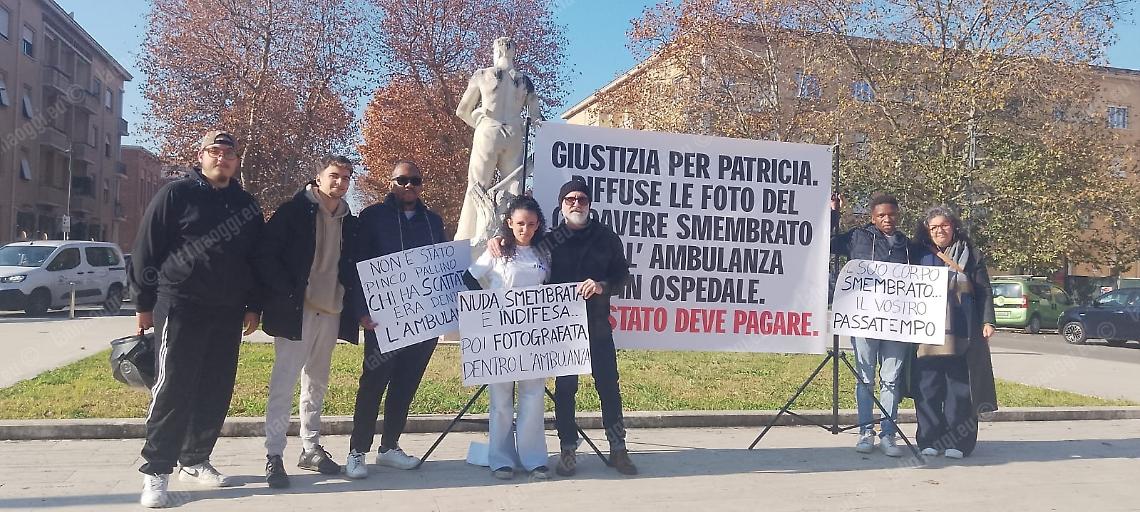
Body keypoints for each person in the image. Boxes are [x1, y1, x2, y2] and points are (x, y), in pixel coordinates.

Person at [130, 130, 264, 508]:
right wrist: (142, 304)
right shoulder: (176, 194)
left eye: (229, 153)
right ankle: (156, 471)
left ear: (237, 161)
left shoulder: (247, 205)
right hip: (180, 305)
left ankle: (194, 458)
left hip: (228, 311)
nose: (222, 158)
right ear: (201, 156)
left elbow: (256, 259)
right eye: (214, 151)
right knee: (173, 388)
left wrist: (253, 305)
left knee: (215, 389)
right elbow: (146, 249)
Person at [256, 155, 360, 488]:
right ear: (317, 178)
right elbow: (265, 255)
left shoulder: (349, 221)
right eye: (334, 176)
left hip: (330, 309)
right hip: (295, 311)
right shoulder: (292, 213)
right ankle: (274, 454)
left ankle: (310, 447)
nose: (341, 182)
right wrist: (287, 292)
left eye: (346, 177)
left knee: (317, 382)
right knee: (283, 383)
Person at [345, 160, 447, 479]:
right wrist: (360, 309)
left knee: (405, 385)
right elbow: (357, 264)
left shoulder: (433, 221)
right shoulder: (373, 217)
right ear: (391, 183)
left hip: (423, 323)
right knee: (373, 384)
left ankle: (389, 447)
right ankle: (357, 451)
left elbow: (443, 267)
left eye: (415, 180)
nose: (409, 186)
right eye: (402, 180)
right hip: (382, 321)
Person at [462, 196, 553, 481]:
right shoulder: (497, 251)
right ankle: (500, 459)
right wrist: (487, 308)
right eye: (520, 224)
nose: (525, 229)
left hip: (534, 337)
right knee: (501, 400)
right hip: (499, 336)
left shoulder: (544, 254)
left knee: (533, 397)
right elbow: (469, 278)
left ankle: (533, 459)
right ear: (509, 224)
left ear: (538, 225)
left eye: (531, 224)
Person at [910, 206, 998, 459]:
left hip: (962, 332)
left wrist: (987, 321)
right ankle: (929, 439)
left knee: (959, 390)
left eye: (944, 225)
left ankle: (958, 443)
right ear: (927, 230)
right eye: (934, 227)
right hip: (926, 335)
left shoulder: (971, 255)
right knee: (927, 389)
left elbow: (983, 290)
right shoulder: (917, 253)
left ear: (953, 226)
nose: (940, 231)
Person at [830, 192, 910, 457]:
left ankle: (888, 434)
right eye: (881, 215)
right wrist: (834, 213)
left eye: (892, 214)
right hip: (864, 323)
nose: (887, 219)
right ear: (872, 217)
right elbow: (828, 243)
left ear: (898, 216)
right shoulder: (857, 238)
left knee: (890, 379)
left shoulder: (906, 246)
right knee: (864, 378)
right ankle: (866, 432)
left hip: (896, 324)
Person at [453, 36, 541, 245]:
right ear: (514, 53)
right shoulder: (525, 81)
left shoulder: (482, 75)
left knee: (476, 186)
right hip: (514, 132)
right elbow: (537, 119)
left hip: (488, 130)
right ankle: (512, 239)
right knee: (514, 189)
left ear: (496, 51)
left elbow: (462, 110)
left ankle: (465, 240)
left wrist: (480, 123)